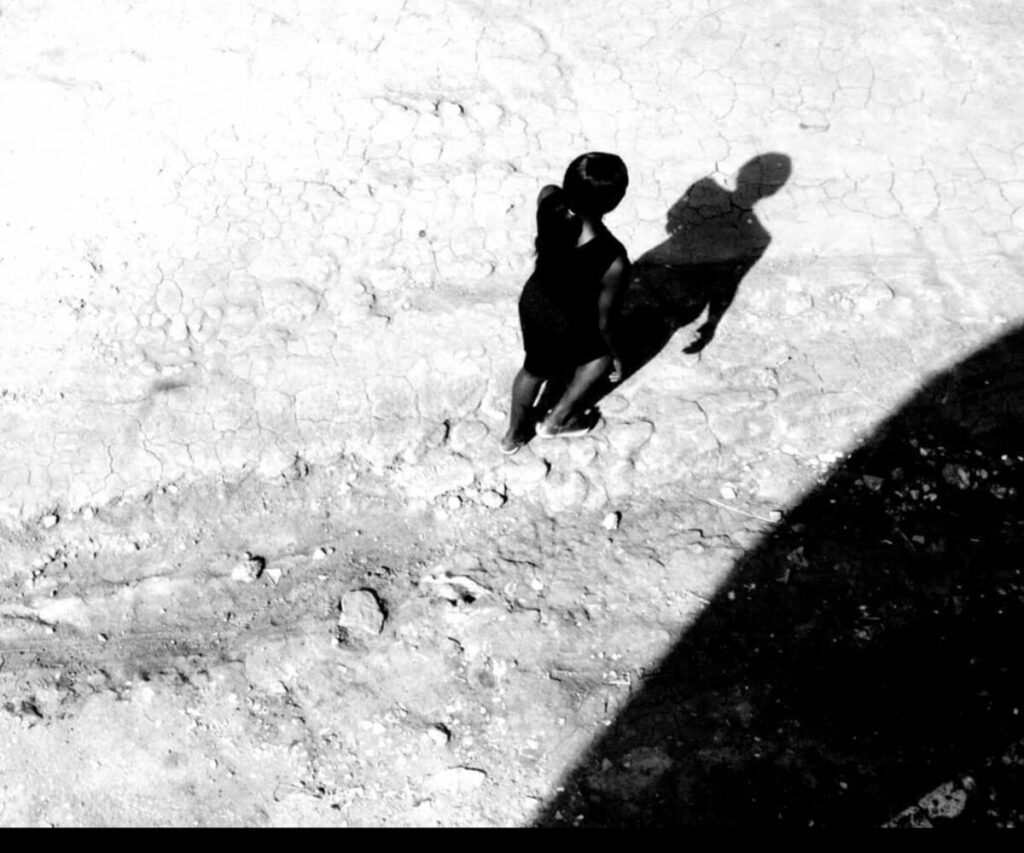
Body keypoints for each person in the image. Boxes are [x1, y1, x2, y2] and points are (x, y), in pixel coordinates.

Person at [500, 152, 631, 455]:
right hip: (567, 320)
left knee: (533, 370)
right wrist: (615, 354)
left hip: (535, 301)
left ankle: (512, 437)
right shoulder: (614, 258)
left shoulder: (548, 198)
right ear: (614, 202)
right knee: (598, 360)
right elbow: (604, 321)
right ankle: (555, 422)